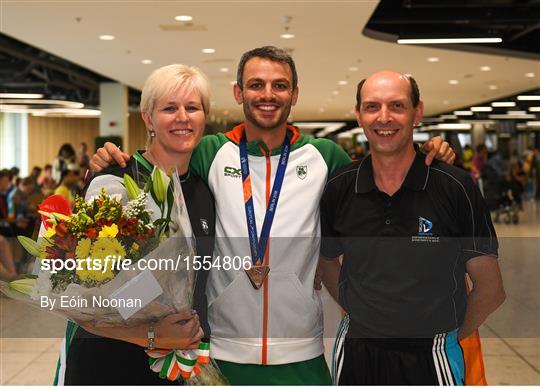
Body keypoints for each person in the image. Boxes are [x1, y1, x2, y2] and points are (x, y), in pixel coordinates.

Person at [90, 47, 455, 385]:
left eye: (280, 85)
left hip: (302, 351)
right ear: (238, 93)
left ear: (294, 94)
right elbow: (163, 154)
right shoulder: (209, 152)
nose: (268, 94)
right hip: (220, 351)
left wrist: (429, 154)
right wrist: (108, 164)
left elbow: (382, 179)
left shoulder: (325, 156)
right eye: (256, 85)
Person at [319, 71, 505, 385]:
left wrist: (447, 337)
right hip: (356, 353)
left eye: (397, 106)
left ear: (417, 112)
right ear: (359, 116)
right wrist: (361, 312)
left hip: (432, 355)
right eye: (372, 107)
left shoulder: (455, 187)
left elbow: (491, 290)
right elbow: (326, 262)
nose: (384, 117)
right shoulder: (340, 187)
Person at [55, 64, 214, 385]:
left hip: (176, 364)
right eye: (169, 108)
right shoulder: (115, 181)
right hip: (109, 362)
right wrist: (152, 334)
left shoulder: (201, 189)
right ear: (147, 117)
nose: (182, 117)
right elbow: (81, 299)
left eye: (192, 107)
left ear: (204, 117)